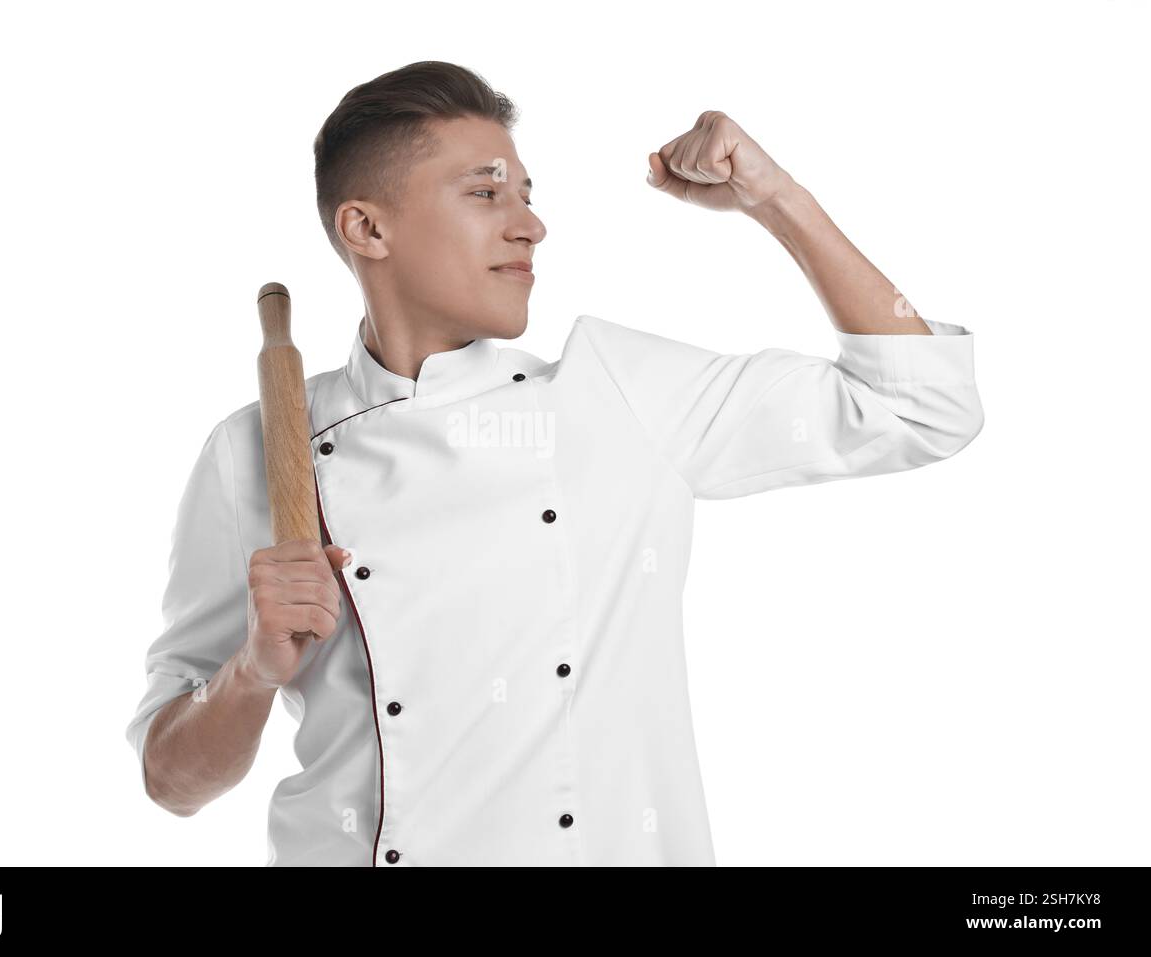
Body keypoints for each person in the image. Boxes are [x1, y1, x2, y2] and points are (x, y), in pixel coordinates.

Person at [125, 60, 984, 866]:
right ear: (367, 227)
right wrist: (250, 671)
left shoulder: (618, 393)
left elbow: (922, 405)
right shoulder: (255, 450)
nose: (530, 223)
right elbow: (171, 782)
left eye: (527, 195)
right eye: (484, 192)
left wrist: (773, 196)